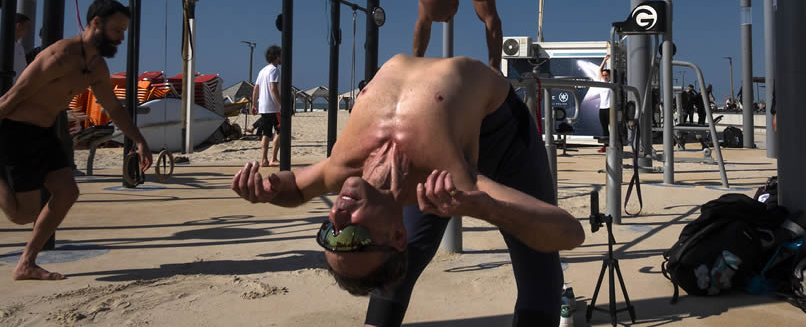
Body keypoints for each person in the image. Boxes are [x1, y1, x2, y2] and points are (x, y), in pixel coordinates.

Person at [232, 54, 584, 327]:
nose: (336, 214)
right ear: (394, 233)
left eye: (328, 234)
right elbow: (569, 232)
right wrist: (486, 207)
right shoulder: (446, 178)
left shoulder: (344, 167)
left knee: (396, 268)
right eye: (351, 237)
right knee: (536, 263)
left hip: (465, 137)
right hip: (504, 136)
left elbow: (297, 187)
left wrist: (266, 190)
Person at [0, 0, 153, 280]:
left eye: (124, 31)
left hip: (45, 134)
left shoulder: (97, 67)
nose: (121, 37)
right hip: (16, 133)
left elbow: (114, 108)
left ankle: (26, 263)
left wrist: (139, 140)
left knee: (68, 192)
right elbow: (12, 96)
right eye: (117, 29)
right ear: (96, 24)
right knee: (22, 215)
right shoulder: (58, 57)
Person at [251, 45, 282, 167]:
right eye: (281, 55)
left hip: (263, 106)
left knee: (266, 133)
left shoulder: (262, 70)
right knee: (281, 131)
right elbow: (273, 88)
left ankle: (263, 159)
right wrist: (282, 104)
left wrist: (254, 104)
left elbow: (255, 89)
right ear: (277, 56)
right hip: (273, 107)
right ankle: (273, 158)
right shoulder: (274, 70)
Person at [0, 12, 31, 98]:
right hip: (4, 96)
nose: (28, 30)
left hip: (17, 94)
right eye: (26, 26)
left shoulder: (20, 48)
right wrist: (0, 92)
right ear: (19, 26)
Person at [597, 54, 611, 153]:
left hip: (610, 108)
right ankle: (605, 146)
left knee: (613, 128)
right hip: (602, 109)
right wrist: (604, 60)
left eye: (607, 75)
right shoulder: (601, 82)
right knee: (604, 128)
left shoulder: (611, 84)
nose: (605, 76)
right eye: (604, 75)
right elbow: (599, 70)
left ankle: (614, 145)